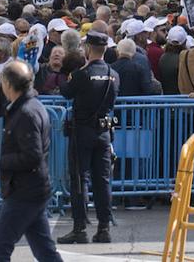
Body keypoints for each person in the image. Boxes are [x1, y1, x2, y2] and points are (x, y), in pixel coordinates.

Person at [0, 61, 63, 262]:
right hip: (33, 188)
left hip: (24, 190)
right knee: (45, 250)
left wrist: (4, 161)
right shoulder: (31, 107)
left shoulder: (26, 113)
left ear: (8, 84)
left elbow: (32, 155)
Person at [58, 31, 117, 245]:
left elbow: (66, 91)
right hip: (103, 132)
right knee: (102, 181)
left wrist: (69, 74)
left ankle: (79, 228)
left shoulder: (82, 74)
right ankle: (104, 228)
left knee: (79, 180)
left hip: (82, 131)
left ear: (88, 49)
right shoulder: (113, 74)